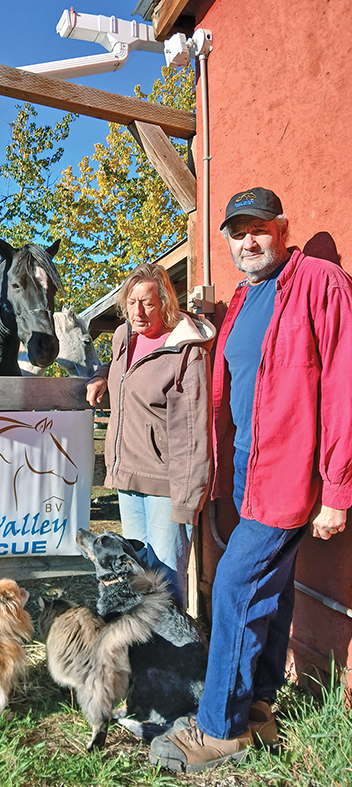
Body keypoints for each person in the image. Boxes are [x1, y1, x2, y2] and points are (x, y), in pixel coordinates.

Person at [150, 187, 352, 773]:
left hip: (289, 474)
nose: (248, 240)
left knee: (236, 587)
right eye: (236, 233)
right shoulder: (244, 297)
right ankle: (259, 701)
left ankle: (220, 728)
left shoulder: (319, 282)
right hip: (245, 469)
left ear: (282, 229)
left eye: (258, 228)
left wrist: (337, 488)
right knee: (272, 588)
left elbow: (342, 385)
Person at [86, 262, 215, 606]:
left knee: (165, 584)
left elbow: (195, 430)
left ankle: (179, 655)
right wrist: (101, 376)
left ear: (165, 304)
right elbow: (122, 375)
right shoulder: (123, 338)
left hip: (166, 486)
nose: (138, 312)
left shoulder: (186, 350)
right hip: (128, 477)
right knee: (136, 578)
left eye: (148, 303)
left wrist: (188, 500)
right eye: (131, 303)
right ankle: (147, 657)